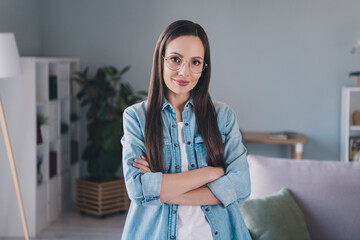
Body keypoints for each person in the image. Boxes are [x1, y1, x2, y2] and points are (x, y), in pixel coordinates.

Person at [121, 20, 251, 240]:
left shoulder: (223, 116)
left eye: (195, 62)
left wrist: (162, 189)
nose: (185, 71)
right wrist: (211, 173)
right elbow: (138, 190)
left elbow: (241, 186)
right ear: (160, 60)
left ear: (204, 66)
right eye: (175, 59)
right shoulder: (136, 117)